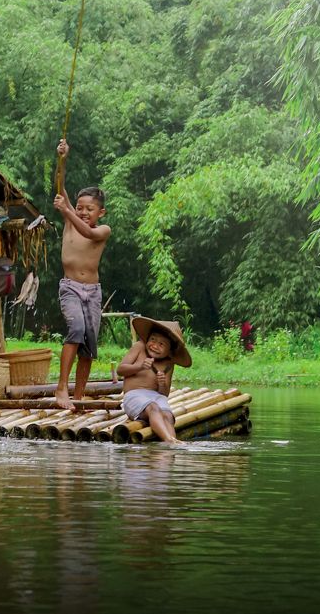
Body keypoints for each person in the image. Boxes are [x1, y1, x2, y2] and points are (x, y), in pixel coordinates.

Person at [52, 139, 112, 410]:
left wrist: (67, 211)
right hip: (71, 288)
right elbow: (59, 184)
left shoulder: (103, 230)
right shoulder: (69, 218)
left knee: (89, 342)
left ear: (101, 212)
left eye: (90, 209)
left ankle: (78, 395)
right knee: (75, 329)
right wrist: (62, 159)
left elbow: (88, 232)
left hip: (93, 292)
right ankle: (61, 389)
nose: (83, 212)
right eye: (80, 207)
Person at [116, 317, 192, 444]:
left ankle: (173, 441)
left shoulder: (168, 363)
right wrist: (139, 366)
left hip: (156, 396)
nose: (155, 346)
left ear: (169, 351)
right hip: (135, 395)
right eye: (152, 340)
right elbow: (120, 370)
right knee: (154, 407)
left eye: (161, 344)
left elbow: (164, 394)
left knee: (167, 415)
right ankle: (167, 439)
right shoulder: (139, 347)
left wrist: (162, 383)